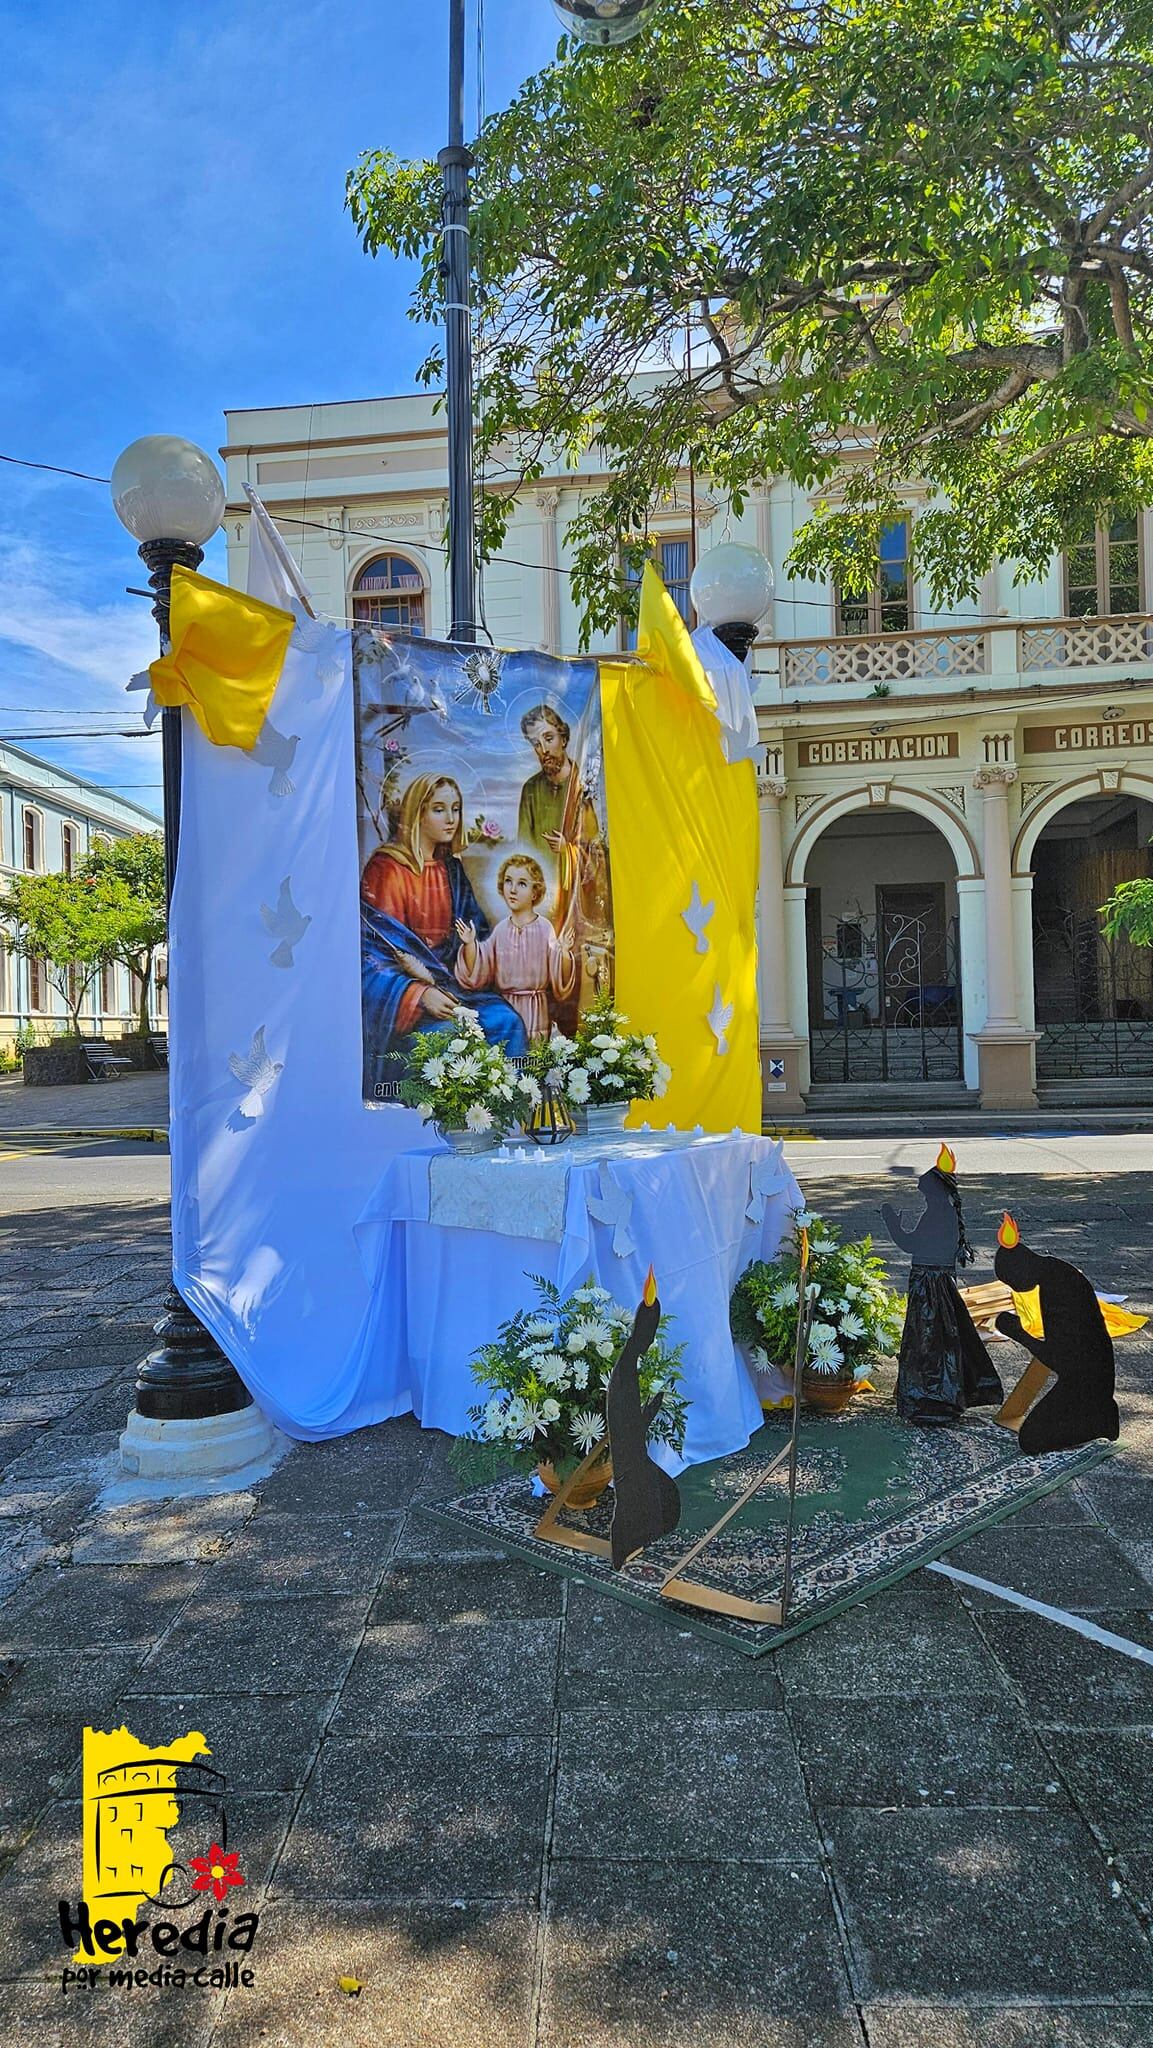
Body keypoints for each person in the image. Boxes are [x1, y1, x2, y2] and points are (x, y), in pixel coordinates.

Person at [360, 773, 525, 1091]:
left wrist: (470, 952)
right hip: (406, 1005)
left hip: (455, 990)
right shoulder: (386, 871)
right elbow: (370, 957)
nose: (451, 819)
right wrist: (418, 994)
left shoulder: (452, 870)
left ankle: (506, 1113)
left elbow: (479, 934)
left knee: (508, 1022)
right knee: (449, 1038)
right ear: (416, 814)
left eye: (456, 809)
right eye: (439, 809)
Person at [881, 1155, 1003, 1425]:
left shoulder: (939, 1213)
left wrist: (892, 1222)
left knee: (928, 1340)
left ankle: (931, 1398)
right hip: (934, 1280)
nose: (922, 1196)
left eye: (925, 1192)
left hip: (930, 1283)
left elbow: (912, 1245)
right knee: (934, 1339)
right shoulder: (943, 1210)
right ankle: (926, 1395)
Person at [454, 853, 576, 1041]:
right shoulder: (501, 930)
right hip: (507, 1009)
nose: (512, 889)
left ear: (535, 892)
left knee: (534, 1062)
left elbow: (559, 972)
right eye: (508, 881)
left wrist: (566, 953)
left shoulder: (544, 928)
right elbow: (480, 966)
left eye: (522, 884)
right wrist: (470, 944)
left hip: (536, 1012)